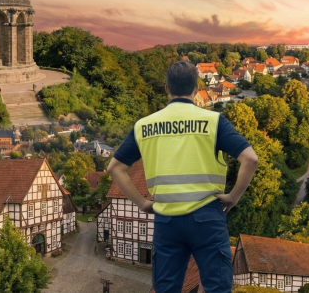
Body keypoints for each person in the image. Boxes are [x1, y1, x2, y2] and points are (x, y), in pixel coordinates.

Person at [108, 61, 258, 293]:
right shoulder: (213, 121)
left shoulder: (144, 126)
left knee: (166, 289)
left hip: (167, 220)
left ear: (167, 89)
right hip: (208, 217)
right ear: (196, 88)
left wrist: (142, 203)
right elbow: (250, 159)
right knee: (217, 287)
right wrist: (233, 197)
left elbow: (115, 168)